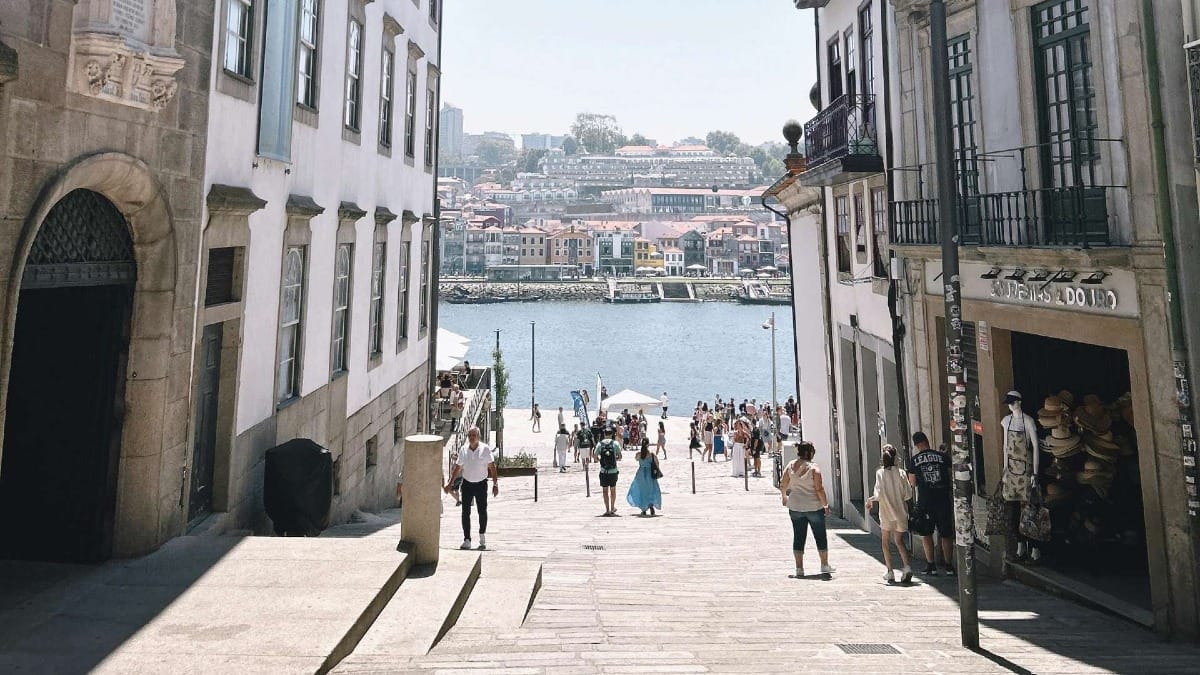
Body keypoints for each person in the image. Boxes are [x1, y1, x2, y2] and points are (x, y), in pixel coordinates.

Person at [780, 441, 833, 578]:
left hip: (795, 506)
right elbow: (819, 489)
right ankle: (824, 564)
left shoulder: (791, 465)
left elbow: (783, 482)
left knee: (798, 536)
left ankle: (799, 568)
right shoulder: (814, 468)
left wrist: (784, 496)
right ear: (809, 453)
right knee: (820, 535)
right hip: (814, 506)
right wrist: (826, 505)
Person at [908, 431, 956, 576]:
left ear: (916, 445)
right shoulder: (942, 457)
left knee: (926, 533)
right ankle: (948, 565)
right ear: (927, 441)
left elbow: (913, 482)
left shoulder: (915, 459)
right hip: (943, 499)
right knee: (946, 534)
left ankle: (931, 565)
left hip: (925, 501)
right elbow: (950, 473)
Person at [444, 426, 498, 551]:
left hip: (481, 484)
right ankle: (467, 539)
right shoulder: (463, 450)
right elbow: (457, 468)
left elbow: (492, 467)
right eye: (470, 436)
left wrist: (495, 484)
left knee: (482, 510)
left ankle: (482, 534)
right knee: (465, 512)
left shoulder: (485, 449)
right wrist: (450, 483)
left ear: (478, 437)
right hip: (467, 484)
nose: (472, 438)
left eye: (474, 435)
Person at [866, 445, 914, 583]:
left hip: (886, 512)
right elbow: (908, 495)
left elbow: (878, 494)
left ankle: (890, 571)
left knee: (885, 542)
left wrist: (871, 500)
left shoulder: (880, 473)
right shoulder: (902, 473)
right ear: (895, 457)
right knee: (899, 541)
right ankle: (907, 567)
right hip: (900, 511)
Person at [626, 438, 663, 516]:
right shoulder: (652, 455)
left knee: (642, 491)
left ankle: (644, 509)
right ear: (648, 445)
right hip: (650, 475)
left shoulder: (639, 454)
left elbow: (636, 459)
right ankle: (651, 506)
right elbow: (657, 464)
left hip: (641, 474)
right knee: (651, 490)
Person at [596, 427, 623, 516]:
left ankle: (607, 509)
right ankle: (612, 508)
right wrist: (615, 459)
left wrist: (601, 460)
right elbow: (620, 456)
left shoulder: (600, 444)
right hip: (613, 471)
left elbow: (595, 456)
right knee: (613, 490)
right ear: (612, 434)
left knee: (605, 491)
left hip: (603, 471)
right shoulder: (615, 443)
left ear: (604, 434)